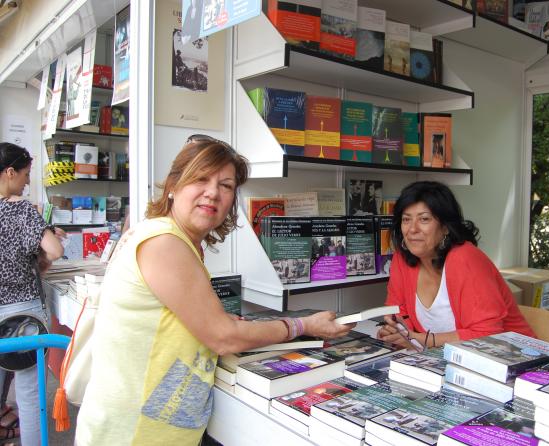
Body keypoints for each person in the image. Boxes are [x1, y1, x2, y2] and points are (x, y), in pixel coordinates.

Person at [75, 136, 353, 445]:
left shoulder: (168, 236)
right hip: (135, 433)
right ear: (173, 185)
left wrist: (217, 321)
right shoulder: (165, 243)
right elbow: (224, 338)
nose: (213, 192)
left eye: (226, 185)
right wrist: (302, 325)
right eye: (201, 178)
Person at [377, 181, 535, 350]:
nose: (412, 229)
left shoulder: (465, 259)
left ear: (445, 227)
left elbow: (488, 335)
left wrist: (418, 339)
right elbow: (397, 311)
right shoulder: (402, 258)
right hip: (447, 358)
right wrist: (396, 332)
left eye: (424, 219)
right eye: (406, 219)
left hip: (512, 356)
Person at [0, 142, 65, 446]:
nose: (27, 182)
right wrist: (45, 245)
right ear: (10, 172)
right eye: (26, 174)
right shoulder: (21, 209)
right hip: (23, 315)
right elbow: (55, 250)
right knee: (30, 397)